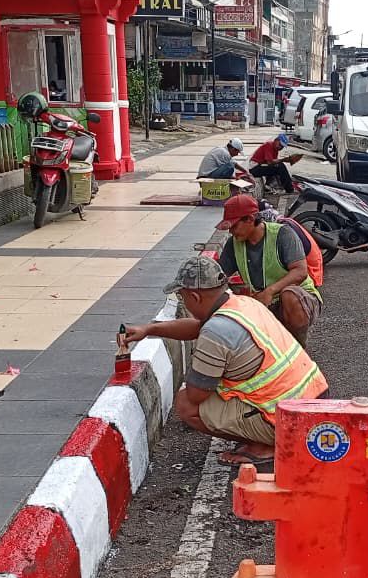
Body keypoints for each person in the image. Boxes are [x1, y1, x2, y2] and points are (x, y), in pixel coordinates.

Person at [123, 256, 328, 467]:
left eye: (182, 296)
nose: (183, 301)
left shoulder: (216, 332)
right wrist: (149, 329)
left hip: (287, 421)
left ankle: (265, 446)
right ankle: (265, 435)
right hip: (313, 398)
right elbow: (198, 326)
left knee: (186, 404)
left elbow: (196, 394)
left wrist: (207, 369)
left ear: (194, 296)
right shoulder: (243, 304)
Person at [217, 193, 322, 345]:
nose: (231, 232)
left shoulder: (283, 234)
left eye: (234, 226)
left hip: (302, 299)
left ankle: (298, 348)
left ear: (250, 219)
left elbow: (300, 271)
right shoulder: (233, 244)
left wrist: (270, 291)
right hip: (263, 303)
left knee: (289, 295)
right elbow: (220, 275)